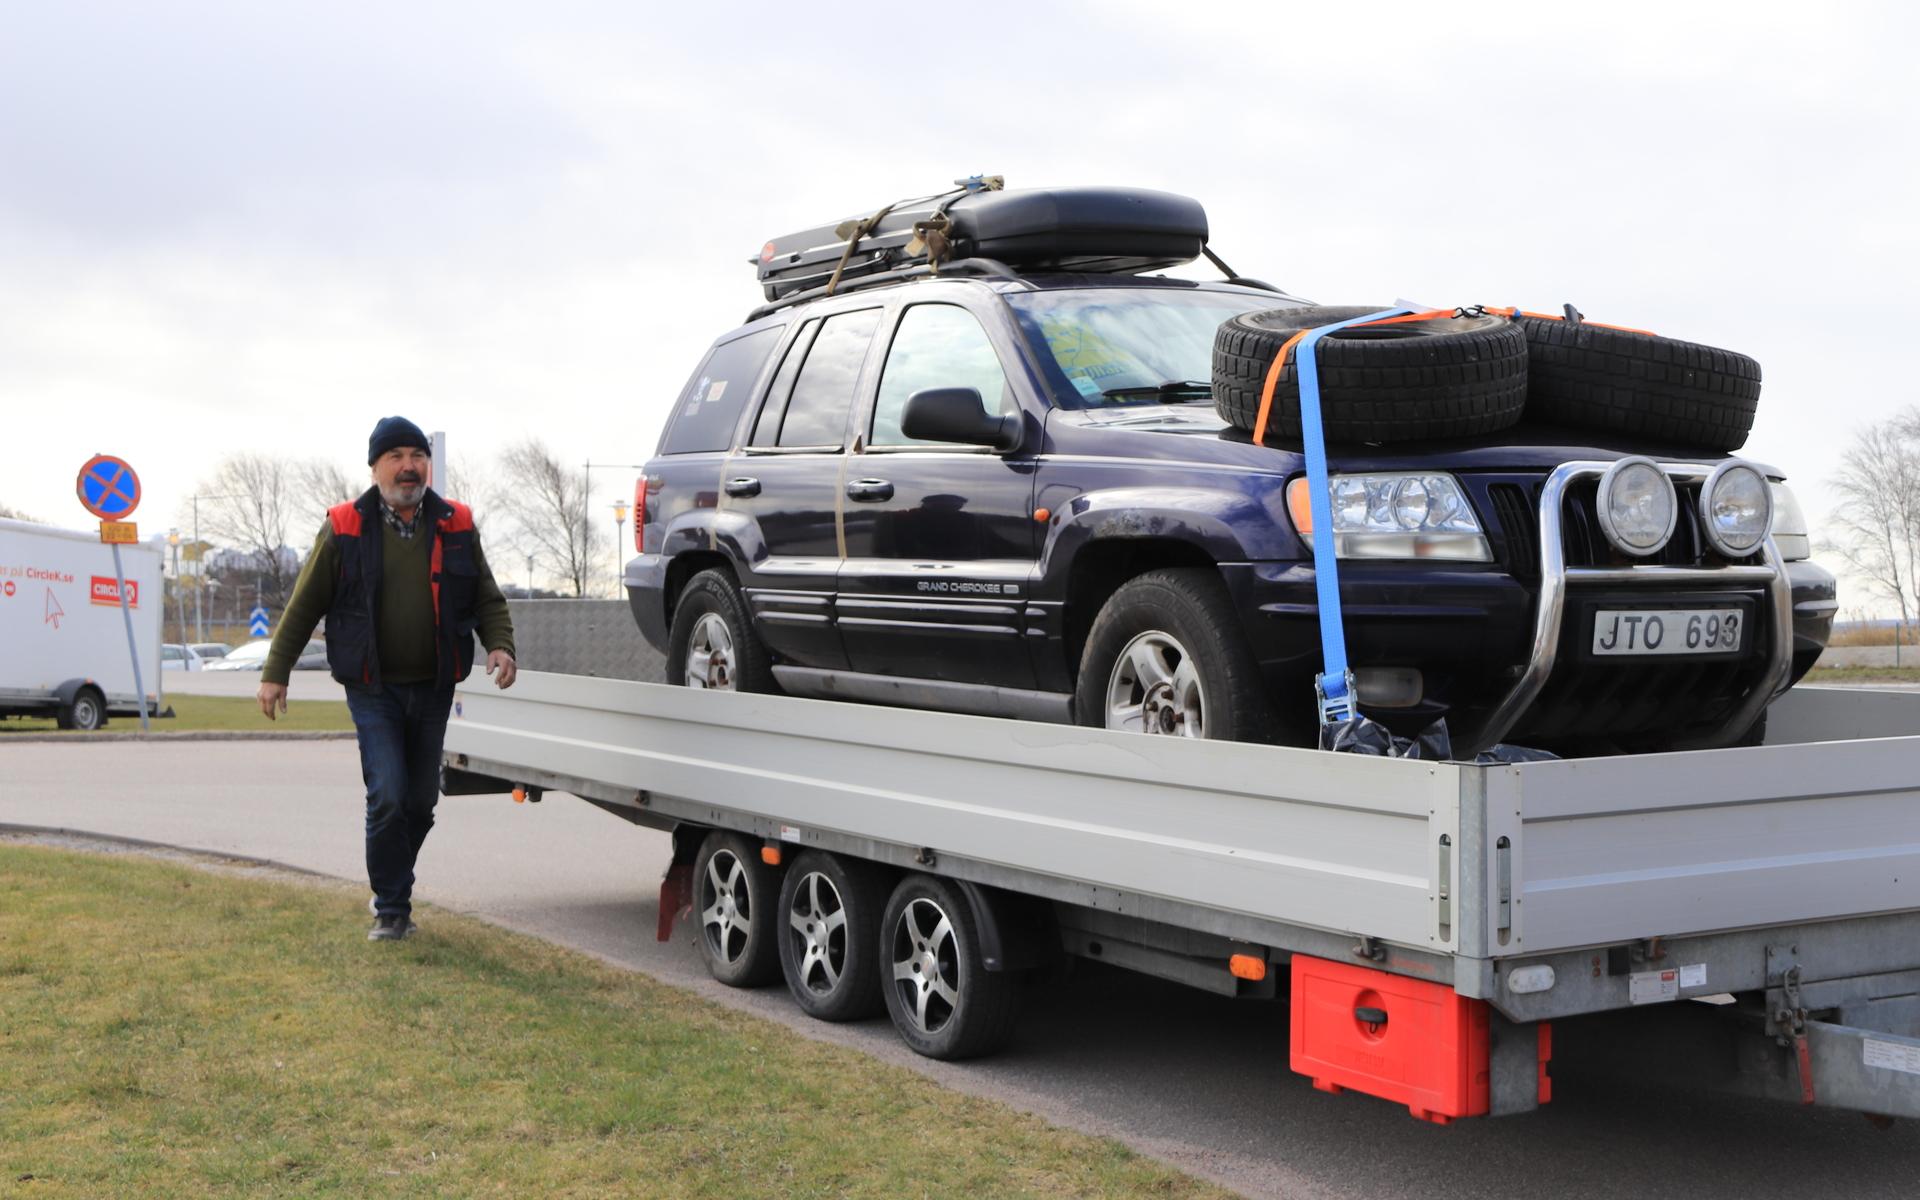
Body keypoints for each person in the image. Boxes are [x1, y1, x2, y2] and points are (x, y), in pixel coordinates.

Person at [257, 416, 517, 940]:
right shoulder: (344, 527)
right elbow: (304, 604)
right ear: (375, 466)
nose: (408, 466)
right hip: (372, 688)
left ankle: (392, 883)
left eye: (417, 455)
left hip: (435, 685)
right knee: (389, 795)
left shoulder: (457, 523)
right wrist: (275, 672)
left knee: (421, 800)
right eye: (395, 456)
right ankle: (392, 909)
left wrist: (501, 644)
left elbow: (486, 596)